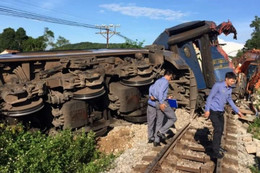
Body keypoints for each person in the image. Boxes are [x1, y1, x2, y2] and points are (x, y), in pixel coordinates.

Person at [204, 72, 243, 159]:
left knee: (221, 130)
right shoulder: (218, 85)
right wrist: (207, 110)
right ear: (226, 79)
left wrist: (237, 111)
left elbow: (230, 100)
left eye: (234, 81)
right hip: (213, 110)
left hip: (221, 112)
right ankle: (215, 151)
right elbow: (210, 97)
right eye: (232, 81)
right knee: (217, 129)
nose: (233, 83)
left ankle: (217, 146)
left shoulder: (229, 89)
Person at [147, 69, 177, 147]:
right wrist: (161, 102)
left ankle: (156, 141)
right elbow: (160, 92)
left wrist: (164, 98)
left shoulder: (158, 81)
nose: (171, 78)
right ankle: (162, 131)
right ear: (170, 75)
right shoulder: (165, 82)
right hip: (162, 103)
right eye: (172, 76)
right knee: (173, 118)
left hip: (156, 103)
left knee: (159, 122)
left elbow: (154, 92)